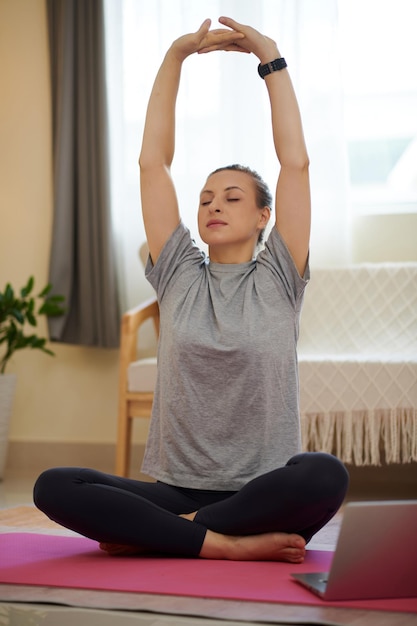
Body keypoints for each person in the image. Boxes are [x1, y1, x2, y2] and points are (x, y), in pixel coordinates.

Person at [34, 17, 349, 563]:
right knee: (54, 485)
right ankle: (223, 544)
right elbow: (152, 163)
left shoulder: (279, 276)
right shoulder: (179, 271)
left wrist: (269, 57)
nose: (213, 206)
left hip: (261, 489)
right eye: (205, 199)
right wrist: (175, 57)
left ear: (263, 217)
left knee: (325, 475)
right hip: (177, 488)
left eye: (231, 197)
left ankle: (172, 534)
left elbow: (295, 162)